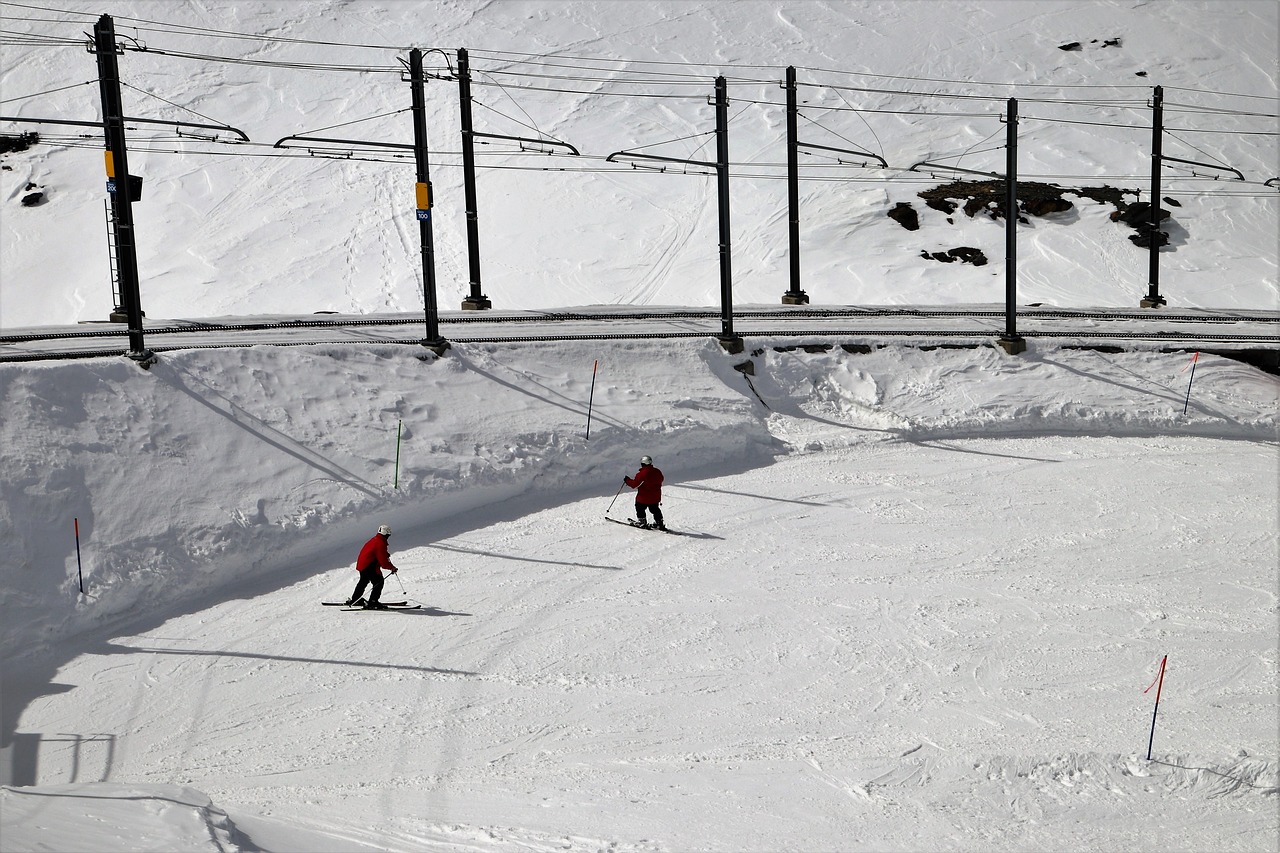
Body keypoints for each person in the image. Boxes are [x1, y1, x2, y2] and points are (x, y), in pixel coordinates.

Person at [346, 524, 399, 609]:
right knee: (378, 582)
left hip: (362, 564)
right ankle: (373, 602)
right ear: (386, 534)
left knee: (363, 581)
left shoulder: (375, 539)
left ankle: (355, 599)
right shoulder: (380, 543)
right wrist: (392, 568)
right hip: (369, 566)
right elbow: (384, 562)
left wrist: (385, 555)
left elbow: (377, 553)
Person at [624, 455, 665, 530]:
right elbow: (661, 479)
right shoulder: (657, 471)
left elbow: (634, 485)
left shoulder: (642, 474)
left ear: (642, 464)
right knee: (655, 509)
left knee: (640, 508)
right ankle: (659, 522)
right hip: (655, 497)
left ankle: (642, 521)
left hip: (644, 498)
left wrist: (627, 480)